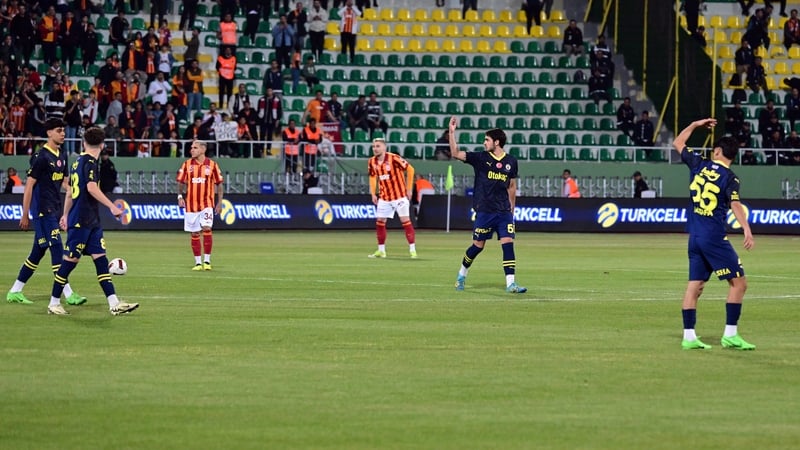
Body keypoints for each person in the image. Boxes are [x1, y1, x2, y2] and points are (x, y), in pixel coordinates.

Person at [671, 118, 755, 351]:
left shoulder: (698, 163)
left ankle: (689, 337)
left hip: (695, 236)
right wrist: (746, 228)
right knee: (739, 283)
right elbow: (736, 205)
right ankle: (730, 334)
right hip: (714, 238)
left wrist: (696, 124)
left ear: (717, 151)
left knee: (695, 286)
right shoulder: (730, 178)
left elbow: (678, 142)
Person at [45, 127, 139, 316]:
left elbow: (71, 191)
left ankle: (114, 303)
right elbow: (91, 188)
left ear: (83, 142)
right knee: (70, 262)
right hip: (81, 220)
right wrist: (112, 206)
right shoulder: (90, 162)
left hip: (90, 220)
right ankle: (53, 303)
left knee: (101, 260)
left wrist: (64, 215)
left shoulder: (76, 162)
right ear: (103, 145)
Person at [7, 118, 86, 306]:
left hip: (54, 208)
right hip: (43, 210)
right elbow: (29, 186)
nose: (63, 134)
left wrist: (76, 190)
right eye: (59, 130)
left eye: (64, 130)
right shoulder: (41, 157)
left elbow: (64, 183)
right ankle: (68, 294)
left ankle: (15, 291)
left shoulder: (62, 155)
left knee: (38, 252)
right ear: (49, 133)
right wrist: (25, 214)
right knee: (57, 249)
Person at [448, 117, 525, 293]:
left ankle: (511, 283)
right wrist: (452, 133)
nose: (484, 143)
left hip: (504, 211)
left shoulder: (511, 161)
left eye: (487, 140)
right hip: (484, 211)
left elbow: (512, 186)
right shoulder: (480, 158)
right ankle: (461, 275)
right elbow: (455, 154)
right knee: (478, 246)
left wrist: (512, 209)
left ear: (496, 142)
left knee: (508, 243)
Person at [177, 140, 224, 270]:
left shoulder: (212, 165)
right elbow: (180, 182)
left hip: (207, 203)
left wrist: (219, 202)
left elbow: (219, 183)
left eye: (195, 148)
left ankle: (207, 261)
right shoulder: (186, 165)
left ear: (203, 150)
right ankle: (198, 263)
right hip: (191, 205)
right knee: (194, 233)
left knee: (207, 228)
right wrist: (180, 196)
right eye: (191, 147)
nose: (191, 150)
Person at [367, 137, 417, 259]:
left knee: (405, 221)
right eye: (374, 146)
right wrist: (373, 193)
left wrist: (409, 189)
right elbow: (373, 177)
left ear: (384, 147)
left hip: (399, 196)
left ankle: (412, 249)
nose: (375, 148)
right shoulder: (371, 162)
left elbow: (410, 169)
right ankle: (381, 250)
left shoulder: (393, 158)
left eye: (378, 146)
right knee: (380, 223)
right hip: (384, 198)